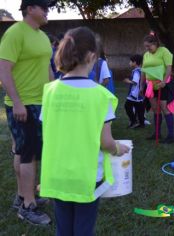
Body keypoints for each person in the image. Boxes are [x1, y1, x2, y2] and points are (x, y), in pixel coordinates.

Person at [39, 26, 130, 236]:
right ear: (91, 56)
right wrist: (119, 148)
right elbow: (106, 143)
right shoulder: (101, 96)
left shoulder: (49, 91)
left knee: (63, 229)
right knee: (83, 229)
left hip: (56, 175)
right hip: (86, 177)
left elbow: (49, 131)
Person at [0, 0, 55, 225]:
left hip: (41, 103)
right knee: (27, 152)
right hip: (22, 105)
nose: (47, 11)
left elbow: (48, 68)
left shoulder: (42, 36)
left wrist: (54, 95)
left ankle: (24, 195)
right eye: (44, 7)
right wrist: (17, 102)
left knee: (26, 151)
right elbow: (3, 70)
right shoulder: (15, 33)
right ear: (30, 8)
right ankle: (27, 207)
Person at [140, 33, 174, 144]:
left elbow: (169, 68)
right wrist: (142, 85)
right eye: (145, 47)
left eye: (149, 46)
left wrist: (164, 81)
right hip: (151, 85)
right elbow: (143, 70)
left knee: (164, 108)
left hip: (163, 85)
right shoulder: (146, 55)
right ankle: (157, 133)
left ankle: (171, 135)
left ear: (155, 44)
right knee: (155, 109)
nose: (147, 49)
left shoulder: (164, 51)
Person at [123, 54, 145, 128]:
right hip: (140, 94)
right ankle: (141, 123)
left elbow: (135, 82)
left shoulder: (136, 71)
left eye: (130, 61)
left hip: (134, 94)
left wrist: (128, 81)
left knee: (127, 106)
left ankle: (133, 121)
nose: (129, 63)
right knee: (140, 109)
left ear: (135, 62)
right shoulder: (141, 70)